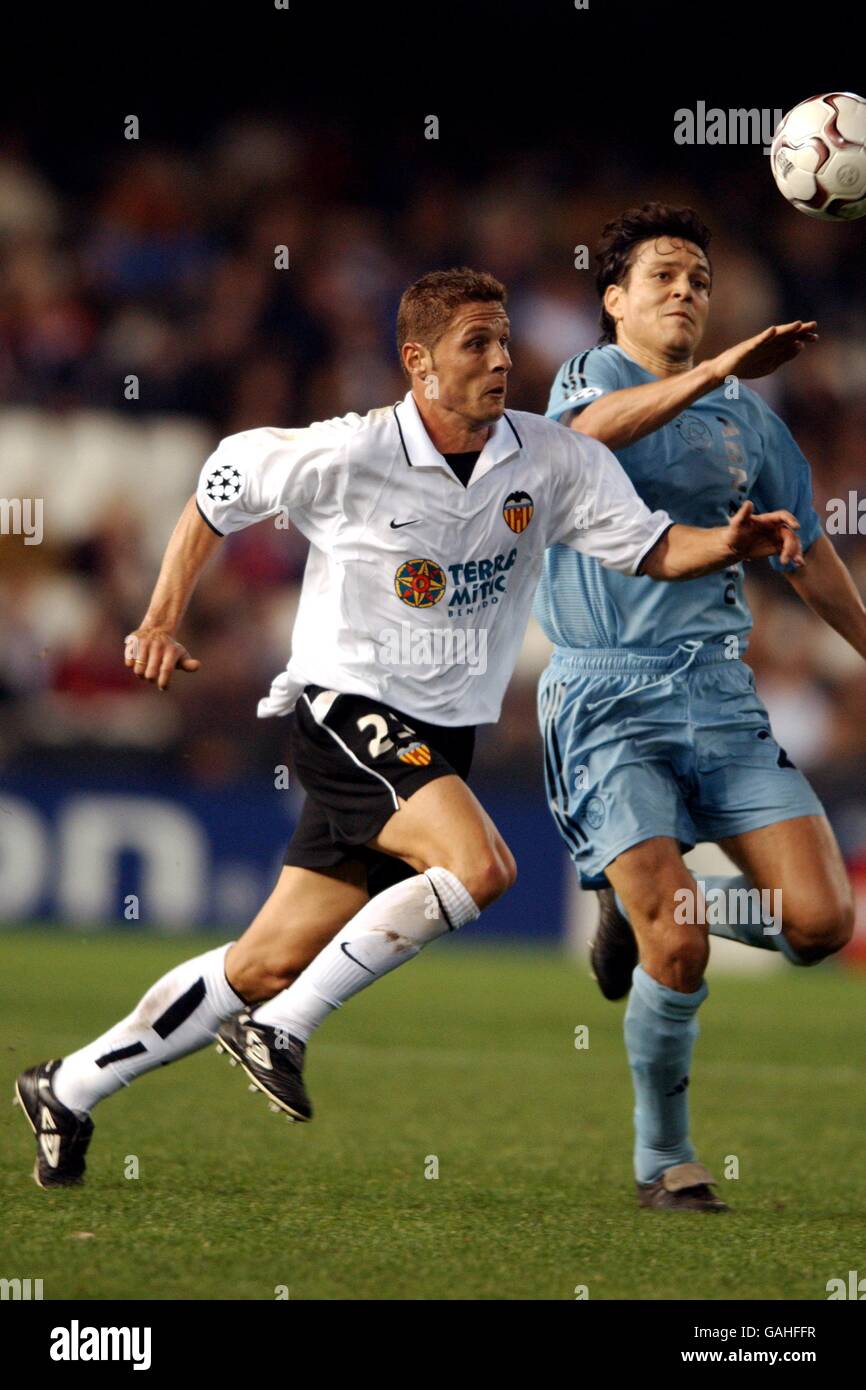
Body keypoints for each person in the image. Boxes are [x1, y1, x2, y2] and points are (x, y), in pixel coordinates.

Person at [15, 266, 802, 1189]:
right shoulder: (346, 453)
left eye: (506, 341)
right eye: (477, 344)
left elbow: (652, 547)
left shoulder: (552, 457)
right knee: (482, 868)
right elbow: (213, 496)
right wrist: (158, 619)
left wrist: (731, 544)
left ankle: (67, 1085)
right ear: (418, 362)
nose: (502, 360)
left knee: (266, 961)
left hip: (440, 735)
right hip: (347, 709)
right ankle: (286, 1031)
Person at [538, 204, 858, 1211]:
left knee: (818, 924)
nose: (684, 291)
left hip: (718, 695)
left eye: (698, 280)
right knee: (678, 942)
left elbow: (810, 559)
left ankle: (637, 912)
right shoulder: (585, 380)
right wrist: (719, 367)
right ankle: (661, 1160)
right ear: (613, 300)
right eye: (662, 275)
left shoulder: (751, 427)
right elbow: (588, 441)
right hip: (604, 695)